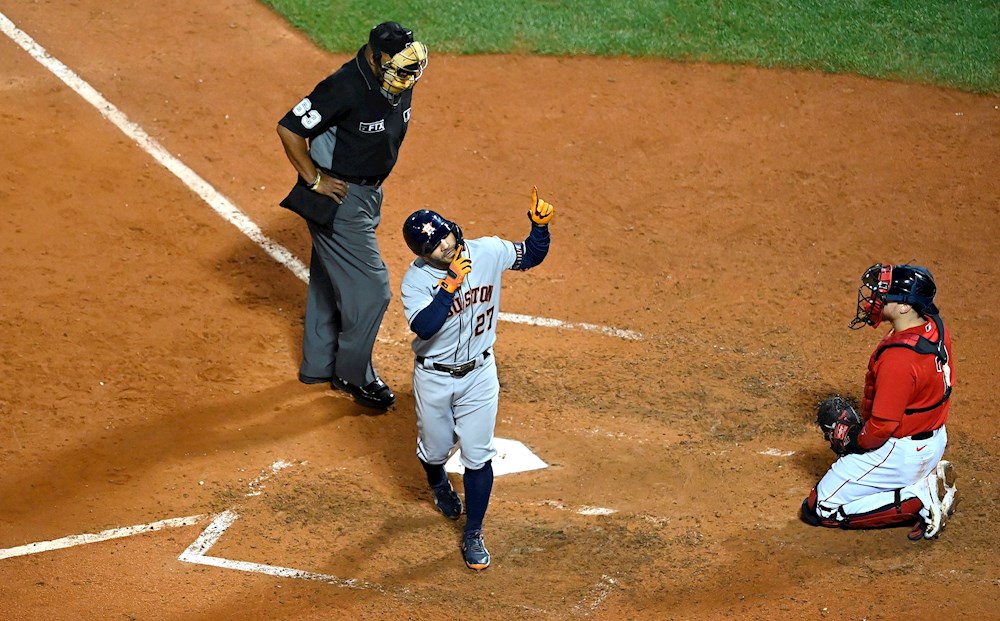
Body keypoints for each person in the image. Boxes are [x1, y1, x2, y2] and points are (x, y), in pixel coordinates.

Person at [399, 187, 554, 571]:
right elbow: (424, 326)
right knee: (435, 451)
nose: (445, 246)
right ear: (423, 255)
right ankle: (438, 483)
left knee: (478, 454)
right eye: (434, 246)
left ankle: (473, 532)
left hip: (480, 374)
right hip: (435, 378)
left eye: (445, 236)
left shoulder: (486, 251)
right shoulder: (415, 282)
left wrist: (540, 228)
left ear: (453, 229)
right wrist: (449, 286)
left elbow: (530, 255)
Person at [275, 22, 428, 409]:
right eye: (398, 66)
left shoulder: (402, 76)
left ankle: (318, 364)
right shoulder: (344, 86)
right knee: (372, 289)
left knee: (330, 279)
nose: (407, 75)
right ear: (375, 58)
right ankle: (353, 374)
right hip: (340, 198)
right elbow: (289, 128)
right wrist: (314, 180)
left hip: (368, 194)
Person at [801, 263, 958, 540]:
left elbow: (882, 427)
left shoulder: (900, 359)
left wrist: (853, 440)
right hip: (931, 441)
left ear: (904, 307)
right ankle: (922, 479)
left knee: (820, 507)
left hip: (900, 452)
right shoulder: (932, 327)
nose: (876, 298)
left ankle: (919, 499)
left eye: (886, 295)